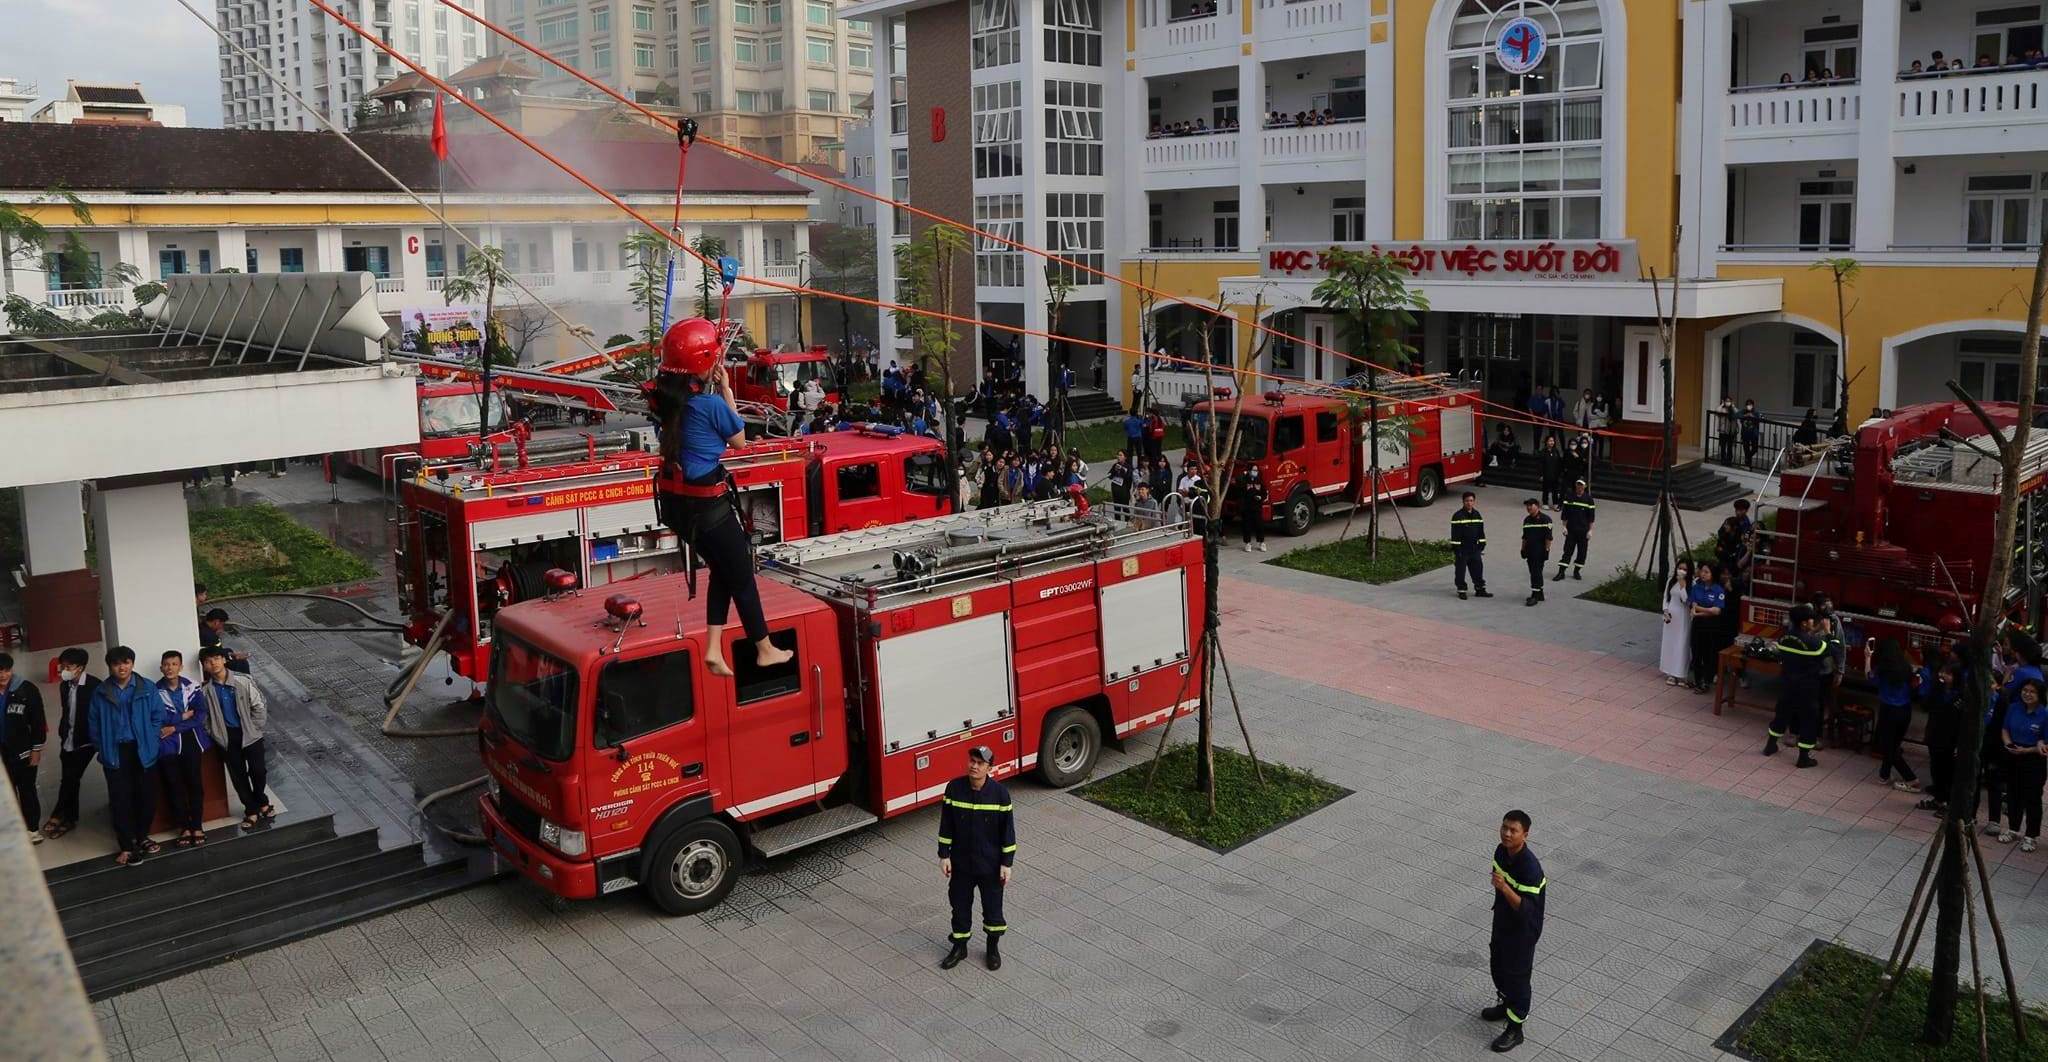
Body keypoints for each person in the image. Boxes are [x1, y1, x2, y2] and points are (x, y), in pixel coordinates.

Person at [649, 319, 797, 678]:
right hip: (708, 507)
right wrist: (727, 391)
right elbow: (740, 441)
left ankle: (714, 649)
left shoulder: (661, 403)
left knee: (723, 569)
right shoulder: (710, 405)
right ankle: (763, 648)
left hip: (678, 506)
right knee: (742, 573)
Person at [937, 744, 1015, 971]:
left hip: (990, 866)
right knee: (959, 907)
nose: (974, 766)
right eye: (972, 761)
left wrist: (1006, 864)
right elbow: (946, 824)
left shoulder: (1000, 795)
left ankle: (992, 949)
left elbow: (1007, 832)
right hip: (961, 864)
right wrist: (944, 856)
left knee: (993, 910)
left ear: (989, 767)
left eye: (980, 763)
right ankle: (960, 948)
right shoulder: (954, 788)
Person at [90, 647, 161, 865]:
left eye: (127, 662)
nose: (122, 667)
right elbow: (93, 724)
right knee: (120, 799)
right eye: (117, 663)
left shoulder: (147, 687)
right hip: (115, 752)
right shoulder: (101, 692)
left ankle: (142, 836)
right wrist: (102, 747)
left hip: (142, 750)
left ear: (132, 663)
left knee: (146, 797)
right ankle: (127, 846)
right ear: (110, 666)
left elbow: (158, 717)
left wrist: (151, 740)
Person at [1483, 809, 1546, 1053]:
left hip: (1522, 932)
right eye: (1504, 828)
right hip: (1503, 922)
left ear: (1525, 835)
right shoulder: (1501, 851)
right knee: (1498, 965)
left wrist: (1505, 888)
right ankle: (1505, 1003)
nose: (1507, 833)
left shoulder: (1530, 868)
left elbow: (1528, 911)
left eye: (1513, 830)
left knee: (1518, 977)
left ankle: (1515, 1028)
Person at [196, 645, 274, 830]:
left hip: (250, 733)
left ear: (224, 659)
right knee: (238, 776)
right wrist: (214, 733)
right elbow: (204, 718)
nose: (213, 663)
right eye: (208, 661)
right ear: (204, 666)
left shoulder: (243, 681)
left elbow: (259, 705)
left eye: (216, 658)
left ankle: (261, 798)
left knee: (258, 771)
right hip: (226, 738)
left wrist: (255, 727)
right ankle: (251, 810)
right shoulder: (205, 692)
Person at [39, 648, 99, 840]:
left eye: (68, 666)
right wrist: (63, 733)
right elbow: (67, 711)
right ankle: (68, 816)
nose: (63, 670)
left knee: (71, 778)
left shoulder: (94, 686)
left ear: (80, 668)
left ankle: (61, 815)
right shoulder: (64, 685)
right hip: (68, 739)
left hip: (86, 742)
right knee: (69, 778)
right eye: (62, 666)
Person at [156, 651, 208, 848]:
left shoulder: (192, 686)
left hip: (191, 741)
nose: (170, 668)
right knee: (173, 785)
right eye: (166, 664)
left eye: (174, 664)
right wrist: (182, 717)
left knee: (194, 783)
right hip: (167, 744)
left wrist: (175, 726)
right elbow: (159, 720)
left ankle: (197, 825)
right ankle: (183, 826)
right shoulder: (154, 691)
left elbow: (200, 714)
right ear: (161, 668)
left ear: (181, 667)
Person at [1765, 605, 1827, 768]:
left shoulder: (1784, 638)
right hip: (1807, 688)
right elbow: (1831, 648)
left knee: (1781, 714)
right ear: (1805, 623)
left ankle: (1770, 745)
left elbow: (1800, 642)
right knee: (1808, 720)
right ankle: (1803, 758)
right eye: (1811, 620)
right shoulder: (1814, 643)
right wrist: (1828, 632)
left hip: (1787, 685)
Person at [1998, 679, 2048, 851]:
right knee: (2013, 794)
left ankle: (2031, 836)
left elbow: (2045, 745)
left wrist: (2026, 751)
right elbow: (2005, 729)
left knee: (2032, 797)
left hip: (2033, 758)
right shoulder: (2014, 708)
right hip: (2012, 754)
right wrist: (2008, 744)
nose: (2027, 694)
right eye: (2025, 690)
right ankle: (2013, 828)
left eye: (2032, 692)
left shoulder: (2045, 715)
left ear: (2040, 695)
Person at [1, 653, 47, 836]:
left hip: (23, 750)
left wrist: (36, 750)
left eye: (6, 670)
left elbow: (38, 722)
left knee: (27, 789)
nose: (2, 675)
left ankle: (32, 828)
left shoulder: (27, 690)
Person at [1872, 639, 1921, 793]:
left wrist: (1867, 658)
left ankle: (1910, 778)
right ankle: (1884, 775)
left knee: (1887, 746)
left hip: (1889, 710)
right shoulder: (1906, 667)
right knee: (1894, 744)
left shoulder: (1883, 669)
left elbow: (1871, 678)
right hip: (1905, 710)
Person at [1916, 651, 1962, 813]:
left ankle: (1948, 803)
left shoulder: (1961, 696)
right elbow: (1926, 706)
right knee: (1935, 768)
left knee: (1948, 770)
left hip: (1950, 739)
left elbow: (1961, 722)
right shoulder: (1938, 689)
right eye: (1942, 672)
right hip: (1935, 734)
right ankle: (1938, 798)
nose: (1943, 675)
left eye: (1948, 674)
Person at [1686, 563, 1726, 693]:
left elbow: (1717, 611)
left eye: (1706, 572)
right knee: (1696, 652)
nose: (1703, 574)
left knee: (1708, 654)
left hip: (1711, 626)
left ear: (1713, 575)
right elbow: (1692, 603)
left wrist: (1699, 610)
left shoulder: (1718, 590)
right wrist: (1702, 610)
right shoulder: (1697, 587)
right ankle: (1698, 681)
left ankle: (1707, 681)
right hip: (1698, 624)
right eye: (1702, 571)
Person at [1659, 560, 1695, 686]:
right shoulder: (1670, 581)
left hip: (1683, 616)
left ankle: (1680, 673)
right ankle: (1670, 673)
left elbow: (1686, 600)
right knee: (1670, 643)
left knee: (1681, 643)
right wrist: (1665, 610)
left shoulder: (1691, 583)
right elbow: (1666, 597)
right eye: (1680, 568)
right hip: (1671, 616)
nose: (1681, 571)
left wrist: (1682, 584)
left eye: (1685, 569)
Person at [1450, 492, 1490, 600]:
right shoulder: (1457, 516)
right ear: (1463, 502)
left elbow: (1481, 531)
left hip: (1474, 548)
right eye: (1467, 501)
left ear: (1474, 502)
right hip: (1462, 549)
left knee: (1478, 569)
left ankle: (1480, 589)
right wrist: (1456, 549)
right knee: (1460, 571)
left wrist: (1482, 543)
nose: (1469, 503)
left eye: (1471, 501)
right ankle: (1461, 590)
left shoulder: (1477, 515)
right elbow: (1455, 534)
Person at [1554, 479, 1596, 581]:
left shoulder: (1589, 499)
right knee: (1567, 551)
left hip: (1583, 531)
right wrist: (1564, 527)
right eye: (1577, 484)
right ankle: (1561, 572)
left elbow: (1591, 517)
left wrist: (1590, 530)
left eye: (1581, 485)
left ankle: (1577, 571)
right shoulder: (1569, 497)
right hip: (1571, 530)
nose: (1579, 487)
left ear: (1585, 486)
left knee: (1582, 553)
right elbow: (1565, 514)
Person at [1519, 499, 1553, 608]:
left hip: (1539, 550)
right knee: (1534, 571)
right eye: (1527, 506)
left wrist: (1547, 550)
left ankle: (1534, 594)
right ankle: (1540, 593)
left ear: (1537, 506)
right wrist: (1523, 549)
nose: (1528, 508)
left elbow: (1548, 537)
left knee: (1535, 572)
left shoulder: (1545, 519)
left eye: (1530, 505)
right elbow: (1525, 536)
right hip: (1530, 550)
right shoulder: (1527, 520)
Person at [198, 608, 252, 675]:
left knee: (229, 650)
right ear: (216, 622)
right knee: (242, 663)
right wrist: (232, 656)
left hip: (212, 655)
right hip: (212, 661)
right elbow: (216, 652)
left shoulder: (202, 627)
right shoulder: (209, 636)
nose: (222, 627)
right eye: (222, 624)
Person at [1237, 466, 1268, 552]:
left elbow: (1264, 493)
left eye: (1256, 470)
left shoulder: (1260, 481)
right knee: (1247, 526)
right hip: (1247, 507)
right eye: (1253, 470)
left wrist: (1260, 497)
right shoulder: (1244, 480)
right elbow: (1239, 490)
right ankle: (1247, 543)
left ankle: (1261, 542)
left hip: (1257, 507)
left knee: (1259, 525)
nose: (1255, 472)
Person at [1537, 436, 1564, 509]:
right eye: (1550, 441)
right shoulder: (1543, 451)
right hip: (1546, 474)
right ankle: (1545, 503)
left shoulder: (1556, 451)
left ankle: (1555, 503)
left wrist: (1560, 472)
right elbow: (1540, 464)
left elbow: (1559, 462)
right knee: (1546, 489)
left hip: (1555, 474)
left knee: (1555, 489)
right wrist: (1541, 475)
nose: (1551, 442)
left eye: (1552, 441)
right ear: (1546, 442)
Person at [1716, 398, 1738, 466]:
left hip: (1731, 431)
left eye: (1729, 401)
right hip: (1723, 430)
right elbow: (1717, 410)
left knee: (1730, 446)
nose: (1728, 402)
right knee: (1723, 446)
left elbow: (1737, 412)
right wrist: (1722, 404)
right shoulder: (1722, 409)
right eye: (1726, 401)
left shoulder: (1733, 409)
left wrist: (1733, 406)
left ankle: (1729, 460)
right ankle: (1723, 460)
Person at [1740, 400, 1762, 468]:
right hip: (1745, 433)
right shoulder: (1743, 412)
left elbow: (1758, 421)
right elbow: (1740, 419)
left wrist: (1752, 416)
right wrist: (1746, 415)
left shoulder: (1756, 412)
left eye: (1750, 404)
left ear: (1753, 405)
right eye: (1747, 404)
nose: (1749, 406)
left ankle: (1747, 459)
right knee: (1746, 449)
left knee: (1755, 448)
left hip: (1753, 433)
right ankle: (1748, 464)